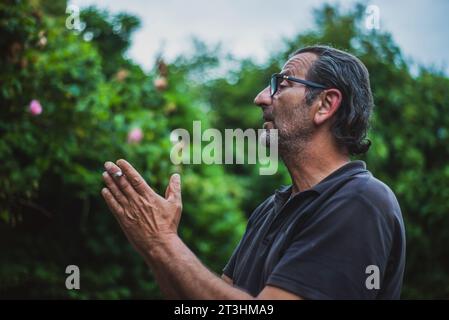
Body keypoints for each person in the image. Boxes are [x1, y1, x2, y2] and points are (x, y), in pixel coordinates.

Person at [101, 45, 406, 299]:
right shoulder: (269, 211)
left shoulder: (361, 201)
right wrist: (154, 249)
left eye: (283, 84)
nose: (260, 98)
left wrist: (163, 242)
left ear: (325, 104)